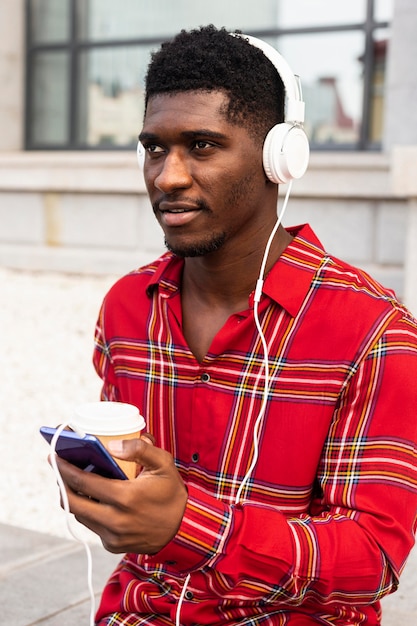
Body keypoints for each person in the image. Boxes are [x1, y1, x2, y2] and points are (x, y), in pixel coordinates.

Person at [56, 25, 417, 625]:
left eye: (201, 145)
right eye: (153, 148)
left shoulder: (373, 331)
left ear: (281, 158)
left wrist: (187, 525)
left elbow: (373, 558)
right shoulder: (127, 305)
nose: (167, 176)